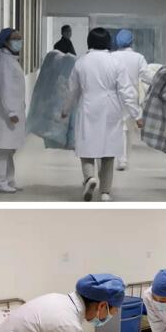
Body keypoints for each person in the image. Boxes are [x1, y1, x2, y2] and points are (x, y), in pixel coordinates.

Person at [62, 27, 141, 202]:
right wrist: (137, 114)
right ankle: (105, 192)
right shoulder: (115, 62)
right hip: (110, 108)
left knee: (86, 147)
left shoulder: (81, 62)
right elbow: (126, 90)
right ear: (108, 42)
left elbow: (72, 90)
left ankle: (90, 178)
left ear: (89, 42)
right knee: (108, 152)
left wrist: (65, 109)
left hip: (88, 106)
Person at [0, 28, 26, 193]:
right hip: (5, 113)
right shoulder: (3, 61)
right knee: (2, 148)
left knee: (9, 148)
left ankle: (9, 180)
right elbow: (5, 88)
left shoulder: (10, 59)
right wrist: (10, 111)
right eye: (15, 39)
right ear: (5, 42)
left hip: (12, 111)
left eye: (20, 39)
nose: (19, 42)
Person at [112, 28, 151, 171]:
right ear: (132, 42)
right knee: (127, 129)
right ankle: (123, 159)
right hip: (132, 95)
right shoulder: (138, 57)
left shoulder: (112, 56)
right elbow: (147, 76)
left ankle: (122, 158)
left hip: (115, 96)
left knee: (120, 128)